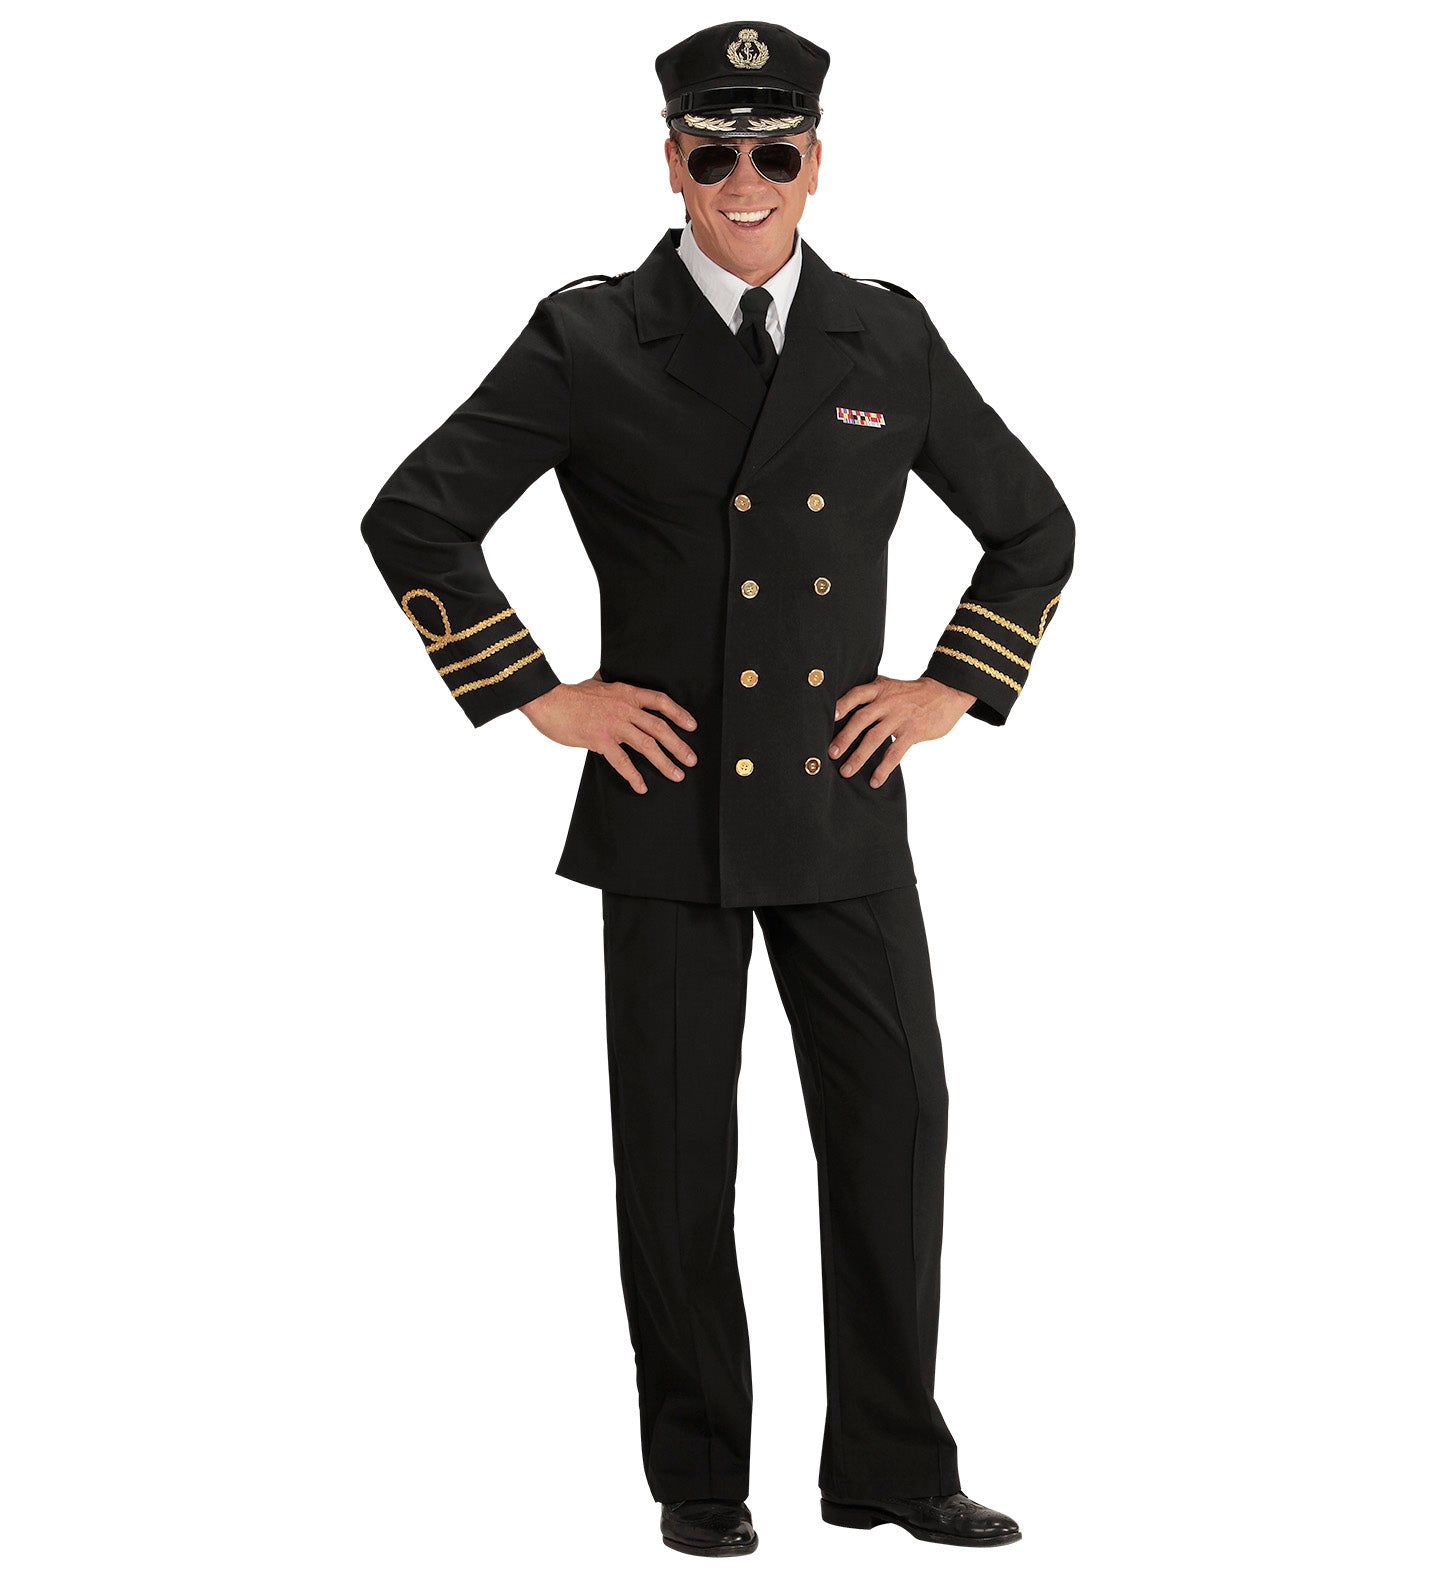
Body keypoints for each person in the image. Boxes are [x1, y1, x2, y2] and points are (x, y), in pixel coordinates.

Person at [360, 17, 1074, 1557]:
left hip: (840, 804)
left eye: (773, 152)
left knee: (893, 1133)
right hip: (663, 805)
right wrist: (536, 691)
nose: (744, 180)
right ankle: (700, 1474)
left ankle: (888, 1464)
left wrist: (952, 684)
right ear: (671, 163)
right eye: (714, 152)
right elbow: (413, 516)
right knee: (677, 1158)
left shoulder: (884, 335)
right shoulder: (589, 337)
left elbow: (1033, 527)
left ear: (815, 164)